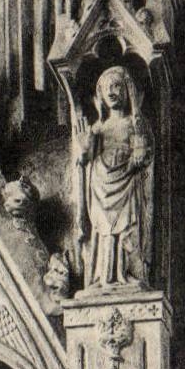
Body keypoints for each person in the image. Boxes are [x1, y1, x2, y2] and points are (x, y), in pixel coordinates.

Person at [75, 66, 153, 289]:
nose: (112, 91)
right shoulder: (98, 128)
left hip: (127, 181)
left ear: (127, 91)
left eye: (117, 85)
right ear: (99, 95)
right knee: (103, 230)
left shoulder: (135, 123)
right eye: (107, 87)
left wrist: (140, 155)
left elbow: (146, 152)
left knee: (127, 227)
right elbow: (85, 158)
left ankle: (125, 273)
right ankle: (102, 276)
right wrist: (83, 151)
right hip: (101, 184)